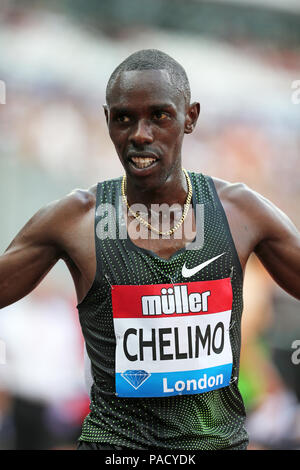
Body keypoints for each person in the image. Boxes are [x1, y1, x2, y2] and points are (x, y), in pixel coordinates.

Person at [0, 49, 300, 451]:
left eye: (159, 116)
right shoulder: (75, 220)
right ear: (107, 120)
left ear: (190, 117)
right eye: (124, 118)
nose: (141, 134)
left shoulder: (240, 213)